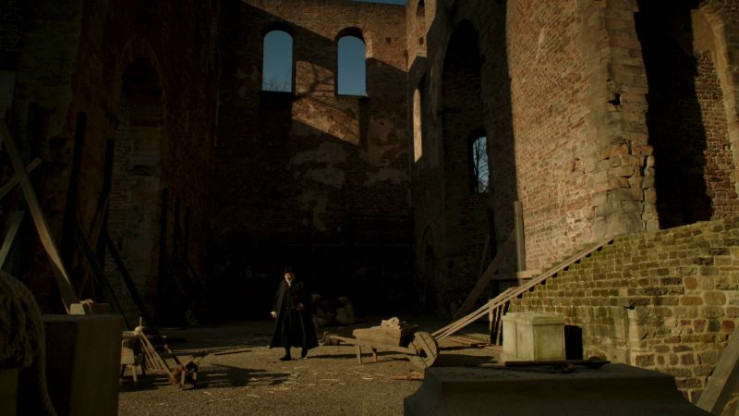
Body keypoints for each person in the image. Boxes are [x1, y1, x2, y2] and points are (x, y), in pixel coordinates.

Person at [269, 267, 318, 360]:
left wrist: (303, 303)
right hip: (285, 313)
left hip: (298, 313)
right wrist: (274, 310)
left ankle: (304, 350)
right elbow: (277, 298)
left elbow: (307, 297)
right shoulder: (282, 284)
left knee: (302, 331)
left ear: (294, 275)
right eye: (287, 275)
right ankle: (287, 354)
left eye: (290, 275)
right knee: (285, 332)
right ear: (284, 276)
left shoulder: (300, 284)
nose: (288, 277)